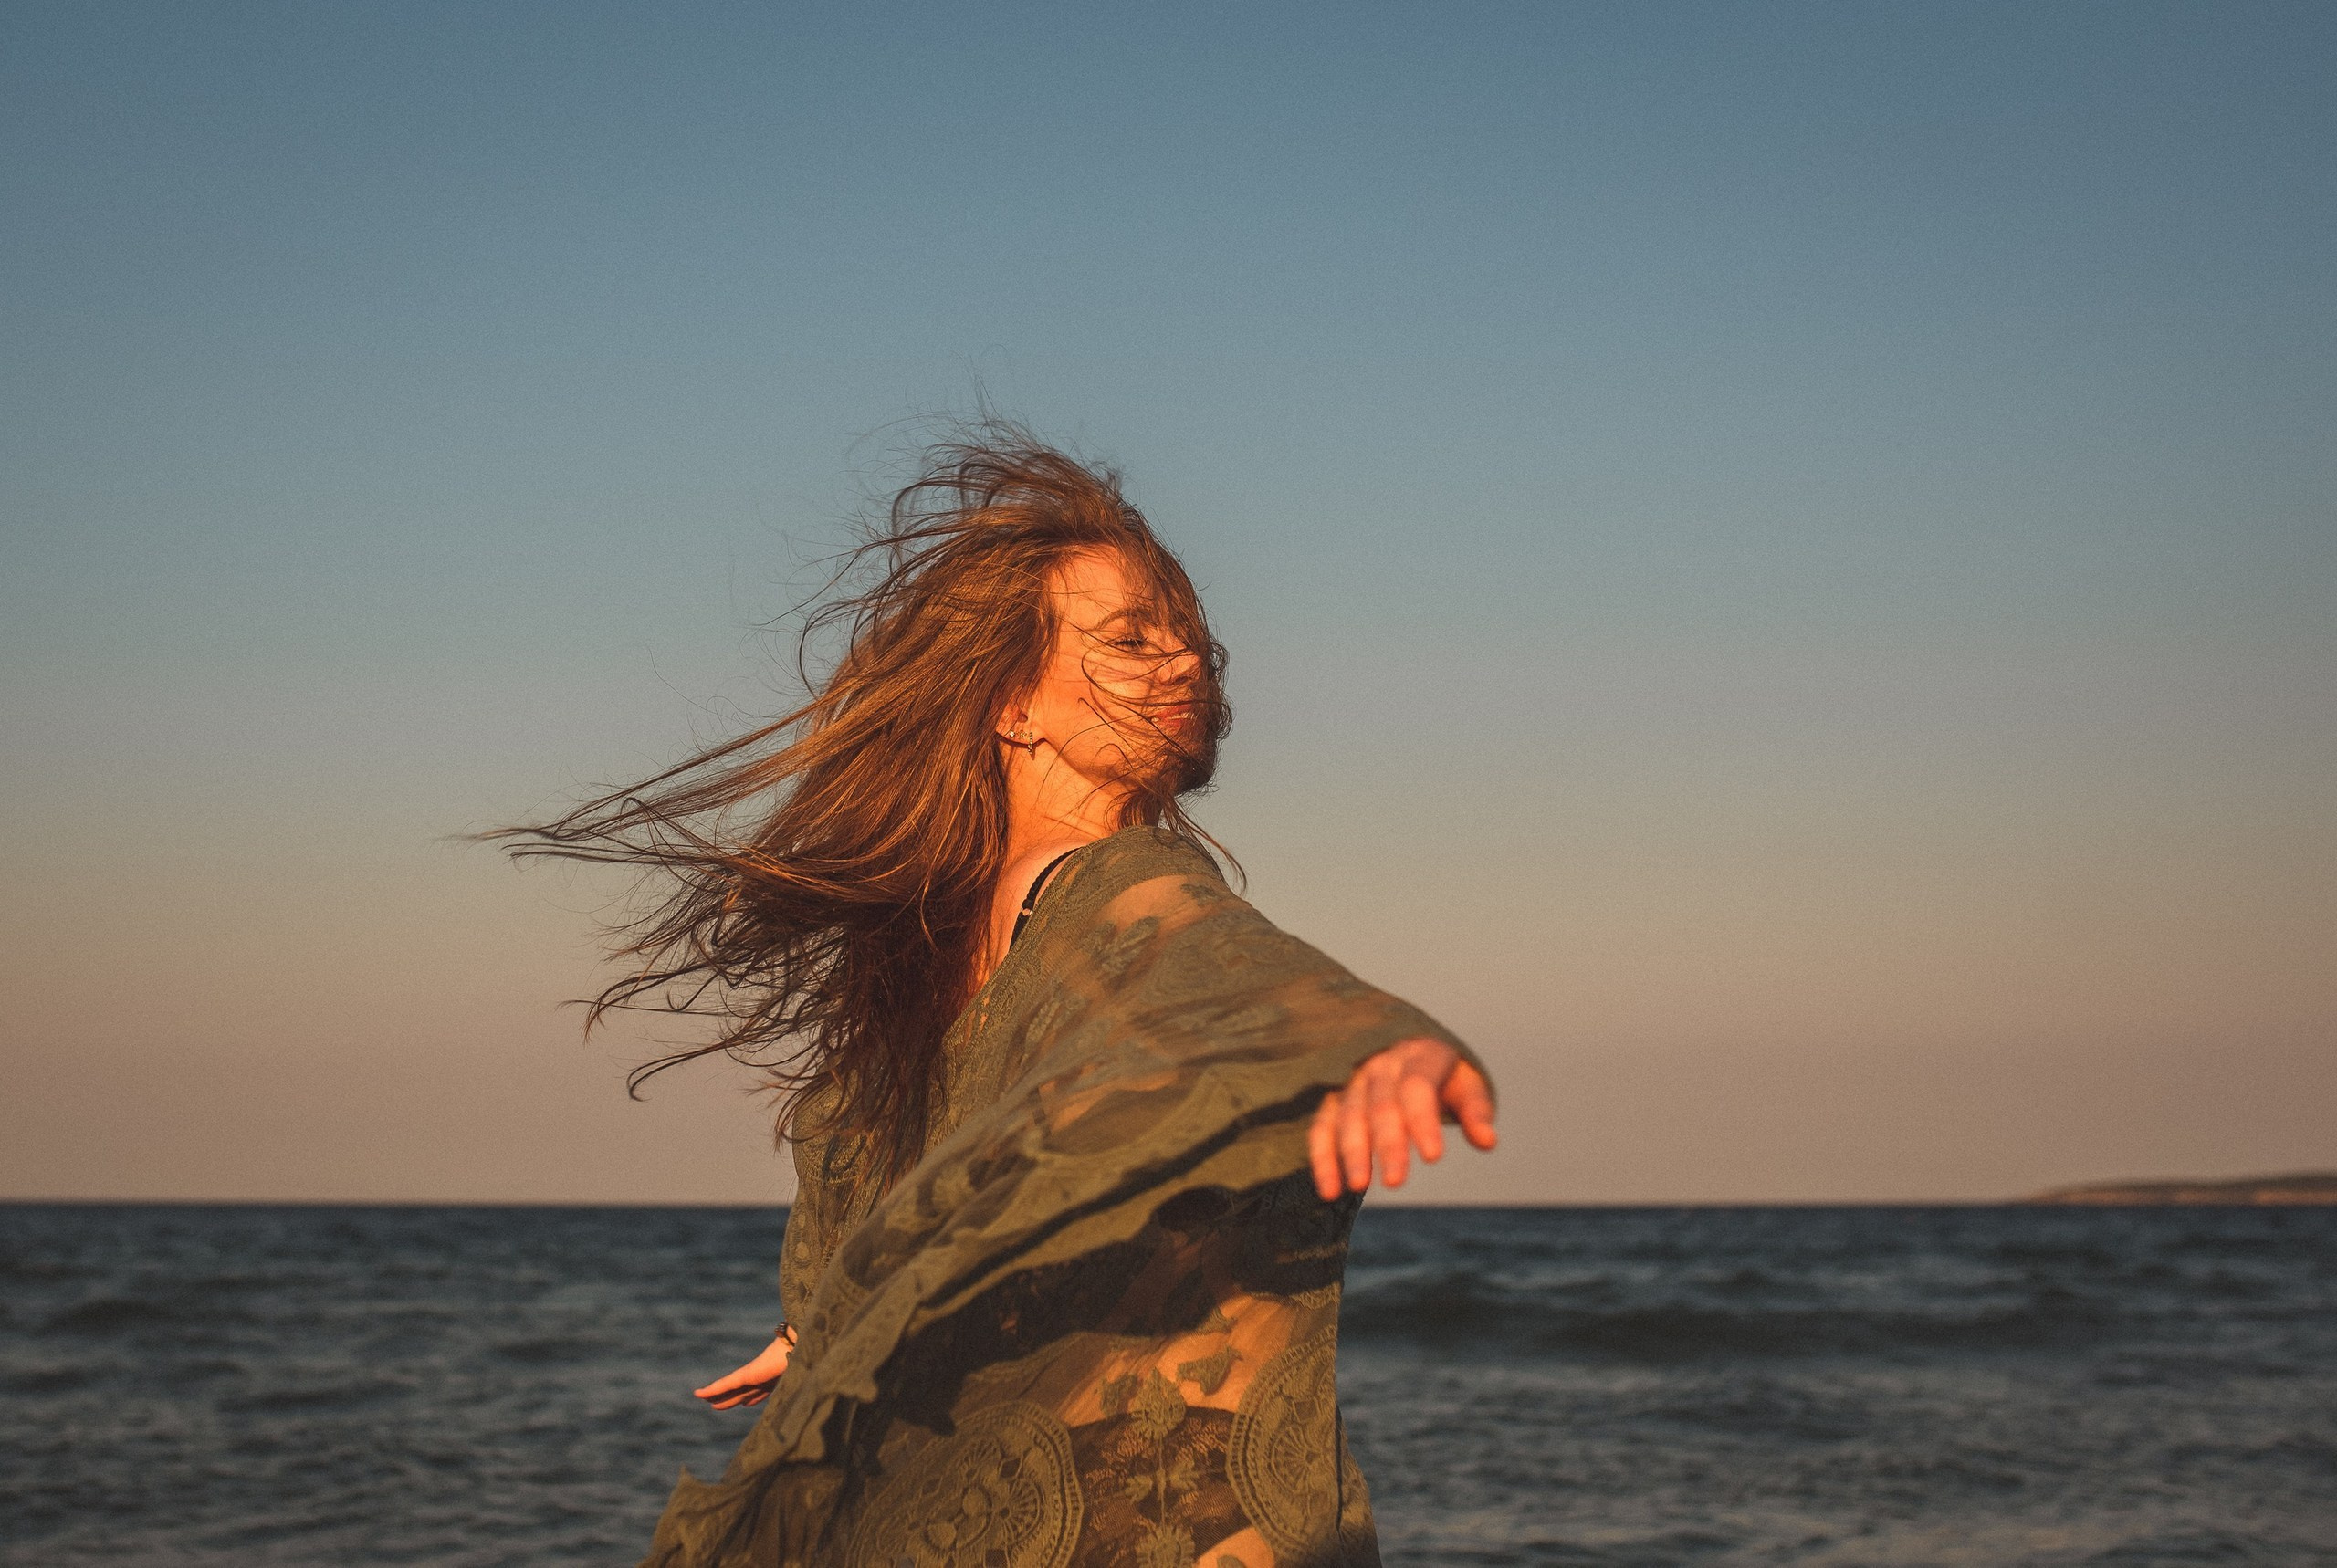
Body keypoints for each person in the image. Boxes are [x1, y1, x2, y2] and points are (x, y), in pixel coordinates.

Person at [500, 426, 1496, 1568]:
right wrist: (1370, 1043)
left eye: (1187, 639)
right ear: (1010, 704)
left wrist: (825, 1325)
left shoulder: (941, 930)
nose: (1182, 664)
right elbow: (1209, 955)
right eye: (1129, 638)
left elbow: (890, 1133)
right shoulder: (1117, 875)